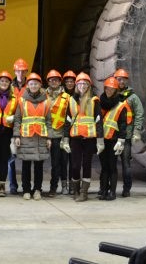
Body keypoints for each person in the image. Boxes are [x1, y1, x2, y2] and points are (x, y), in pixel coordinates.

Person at [63, 72, 101, 202]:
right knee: (75, 165)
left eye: (85, 83)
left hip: (89, 139)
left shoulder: (94, 100)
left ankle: (84, 192)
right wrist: (65, 140)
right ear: (76, 85)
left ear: (89, 85)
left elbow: (98, 121)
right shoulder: (72, 100)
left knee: (86, 164)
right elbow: (67, 121)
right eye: (80, 83)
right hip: (75, 139)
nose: (82, 86)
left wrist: (100, 141)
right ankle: (76, 190)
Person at [13, 73, 51, 200]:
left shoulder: (46, 101)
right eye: (31, 84)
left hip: (41, 137)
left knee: (39, 166)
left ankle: (37, 190)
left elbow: (48, 121)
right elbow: (17, 119)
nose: (33, 85)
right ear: (27, 85)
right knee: (26, 165)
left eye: (36, 83)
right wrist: (16, 136)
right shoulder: (22, 100)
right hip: (26, 137)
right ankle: (26, 190)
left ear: (40, 85)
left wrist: (49, 138)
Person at [113, 68, 145, 197]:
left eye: (123, 79)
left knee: (126, 164)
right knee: (111, 164)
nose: (120, 81)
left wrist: (137, 131)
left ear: (127, 81)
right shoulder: (111, 94)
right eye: (118, 79)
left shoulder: (133, 98)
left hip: (126, 136)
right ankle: (110, 188)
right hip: (112, 136)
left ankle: (127, 189)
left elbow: (139, 114)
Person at [98, 76, 130, 201]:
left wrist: (121, 142)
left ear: (116, 90)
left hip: (114, 141)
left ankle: (112, 192)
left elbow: (123, 125)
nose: (109, 91)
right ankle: (104, 190)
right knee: (104, 167)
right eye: (107, 88)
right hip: (102, 140)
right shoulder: (100, 103)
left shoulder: (121, 106)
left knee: (112, 166)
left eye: (112, 89)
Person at [44, 69, 71, 197]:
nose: (54, 81)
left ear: (60, 81)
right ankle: (53, 187)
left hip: (62, 134)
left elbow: (69, 117)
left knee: (64, 161)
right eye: (51, 80)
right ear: (48, 82)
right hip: (49, 134)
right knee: (54, 163)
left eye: (56, 80)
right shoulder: (43, 95)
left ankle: (64, 185)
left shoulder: (67, 97)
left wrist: (66, 136)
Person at [7, 57, 29, 194]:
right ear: (14, 71)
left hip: (27, 126)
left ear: (26, 71)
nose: (20, 73)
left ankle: (27, 185)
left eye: (23, 71)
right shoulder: (9, 87)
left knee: (27, 157)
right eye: (18, 71)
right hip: (11, 126)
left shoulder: (32, 85)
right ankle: (13, 186)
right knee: (11, 158)